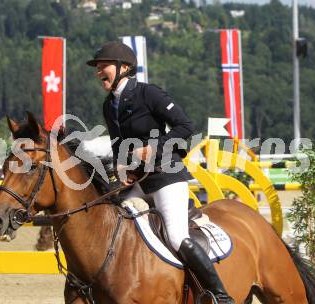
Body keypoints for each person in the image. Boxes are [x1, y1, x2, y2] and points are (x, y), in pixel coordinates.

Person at [87, 41, 234, 304]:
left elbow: (185, 127)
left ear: (125, 67)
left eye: (103, 66)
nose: (99, 72)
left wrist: (152, 148)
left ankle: (220, 295)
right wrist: (124, 169)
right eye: (97, 68)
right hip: (139, 183)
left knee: (177, 236)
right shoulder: (109, 105)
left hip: (166, 177)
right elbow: (119, 146)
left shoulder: (149, 94)